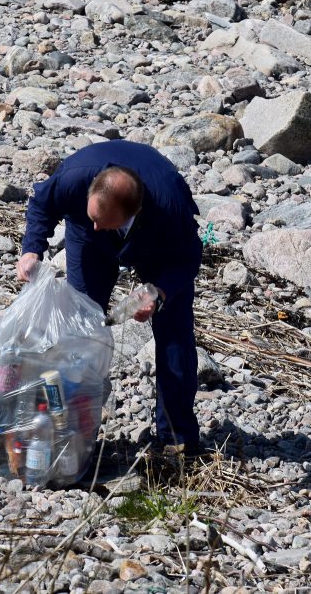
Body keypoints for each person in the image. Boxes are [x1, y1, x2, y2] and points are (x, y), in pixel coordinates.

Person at [16, 140, 204, 455]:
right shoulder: (75, 180)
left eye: (104, 222)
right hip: (89, 244)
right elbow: (41, 206)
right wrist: (32, 248)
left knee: (175, 337)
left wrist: (159, 292)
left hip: (158, 248)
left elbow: (188, 258)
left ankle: (177, 437)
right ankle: (69, 429)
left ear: (134, 213)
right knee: (81, 328)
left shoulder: (170, 206)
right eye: (93, 215)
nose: (96, 224)